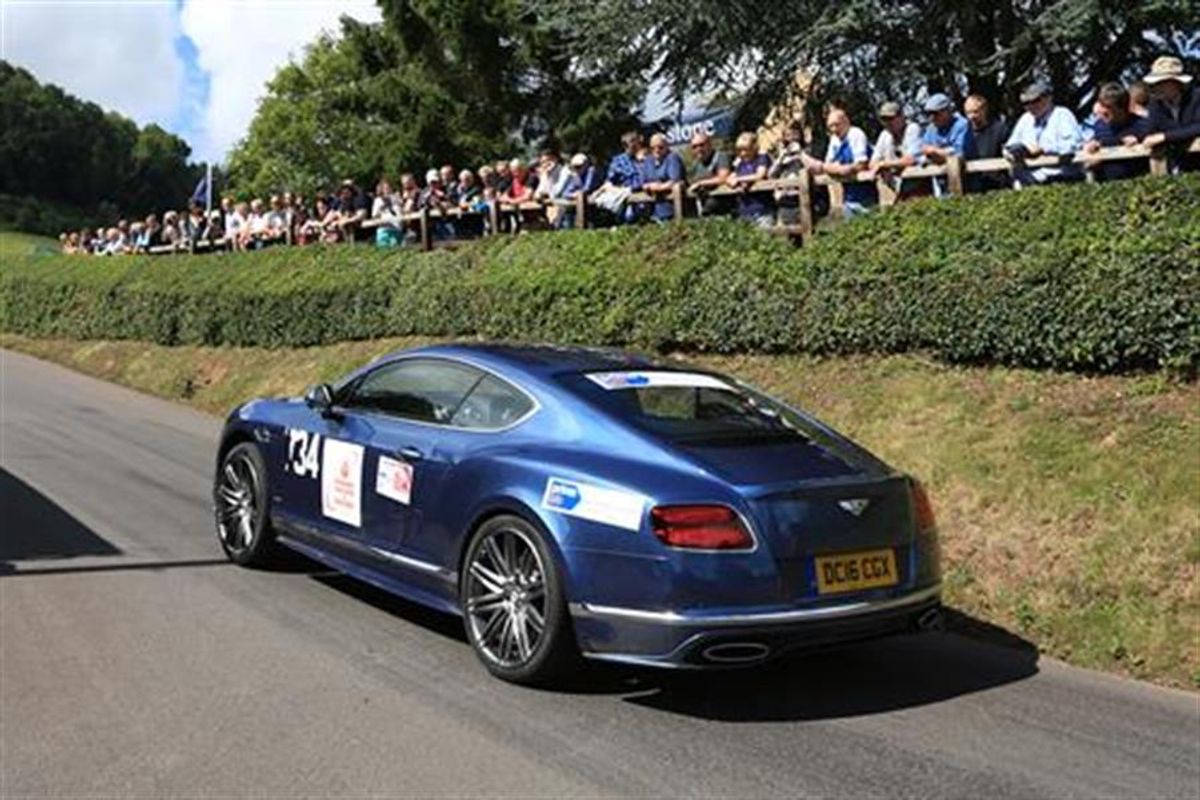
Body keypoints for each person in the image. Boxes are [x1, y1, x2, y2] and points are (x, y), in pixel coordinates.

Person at [1004, 80, 1083, 186]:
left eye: (1035, 101)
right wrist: (1014, 153)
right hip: (1028, 182)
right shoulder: (1025, 119)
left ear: (1048, 98)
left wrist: (1043, 149)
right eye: (1026, 103)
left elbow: (1072, 146)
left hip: (1059, 180)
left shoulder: (1062, 115)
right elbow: (1009, 145)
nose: (1030, 106)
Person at [803, 107, 875, 216]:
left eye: (837, 125)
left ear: (846, 122)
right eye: (830, 126)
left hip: (866, 198)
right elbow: (829, 165)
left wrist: (833, 168)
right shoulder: (835, 140)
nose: (834, 129)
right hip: (847, 198)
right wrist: (835, 169)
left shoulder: (855, 134)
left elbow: (860, 165)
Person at [1082, 82, 1153, 181]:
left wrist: (1139, 143)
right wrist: (1092, 146)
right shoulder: (1099, 125)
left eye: (1108, 107)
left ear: (1121, 108)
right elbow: (1098, 145)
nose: (1103, 111)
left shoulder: (1143, 125)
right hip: (1107, 184)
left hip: (1137, 182)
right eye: (1102, 105)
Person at [1142, 56, 1200, 173]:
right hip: (1174, 168)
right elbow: (1150, 132)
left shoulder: (1196, 97)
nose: (1156, 87)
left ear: (1176, 83)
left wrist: (1165, 137)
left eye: (1161, 83)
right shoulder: (1155, 104)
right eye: (1155, 84)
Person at [920, 93, 975, 196]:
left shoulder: (962, 125)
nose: (932, 117)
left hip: (967, 183)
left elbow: (959, 153)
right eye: (929, 114)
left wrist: (935, 151)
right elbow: (923, 152)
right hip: (941, 185)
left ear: (947, 111)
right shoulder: (931, 129)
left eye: (935, 113)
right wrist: (942, 153)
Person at [870, 101, 923, 199]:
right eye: (884, 119)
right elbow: (873, 163)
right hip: (897, 189)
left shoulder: (912, 129)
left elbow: (911, 160)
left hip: (919, 186)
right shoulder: (884, 134)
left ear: (901, 117)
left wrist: (884, 164)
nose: (888, 122)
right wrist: (884, 166)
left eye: (891, 118)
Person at [593, 130, 645, 224]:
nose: (636, 146)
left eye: (637, 143)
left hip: (645, 197)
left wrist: (642, 162)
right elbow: (609, 182)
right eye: (632, 144)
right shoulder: (618, 161)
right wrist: (600, 191)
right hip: (626, 198)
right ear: (625, 146)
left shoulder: (646, 159)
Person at [724, 131, 774, 226]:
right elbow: (730, 177)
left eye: (746, 149)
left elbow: (760, 175)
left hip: (762, 210)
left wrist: (740, 180)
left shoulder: (762, 158)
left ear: (754, 147)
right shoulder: (740, 163)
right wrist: (732, 182)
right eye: (739, 150)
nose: (742, 153)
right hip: (744, 211)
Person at [769, 121, 809, 224]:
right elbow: (771, 174)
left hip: (804, 195)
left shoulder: (808, 150)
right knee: (788, 228)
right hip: (785, 197)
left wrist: (800, 154)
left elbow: (813, 168)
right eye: (788, 135)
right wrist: (781, 157)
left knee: (807, 226)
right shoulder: (781, 154)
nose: (791, 138)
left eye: (794, 134)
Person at [640, 133, 686, 222]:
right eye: (653, 148)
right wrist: (650, 186)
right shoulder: (648, 161)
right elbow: (643, 183)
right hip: (653, 210)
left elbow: (674, 181)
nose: (656, 150)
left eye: (660, 147)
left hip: (672, 208)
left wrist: (657, 187)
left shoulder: (672, 158)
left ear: (666, 146)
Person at [687, 131, 733, 216]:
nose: (698, 149)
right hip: (703, 205)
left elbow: (724, 178)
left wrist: (701, 183)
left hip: (723, 206)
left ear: (709, 144)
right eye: (694, 147)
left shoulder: (721, 156)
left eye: (701, 145)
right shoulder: (696, 164)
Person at [371, 179, 403, 247]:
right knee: (383, 249)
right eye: (385, 188)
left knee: (396, 249)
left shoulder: (397, 198)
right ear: (382, 190)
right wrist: (381, 208)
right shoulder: (378, 200)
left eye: (389, 187)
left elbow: (402, 210)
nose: (387, 190)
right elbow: (374, 215)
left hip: (397, 228)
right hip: (384, 229)